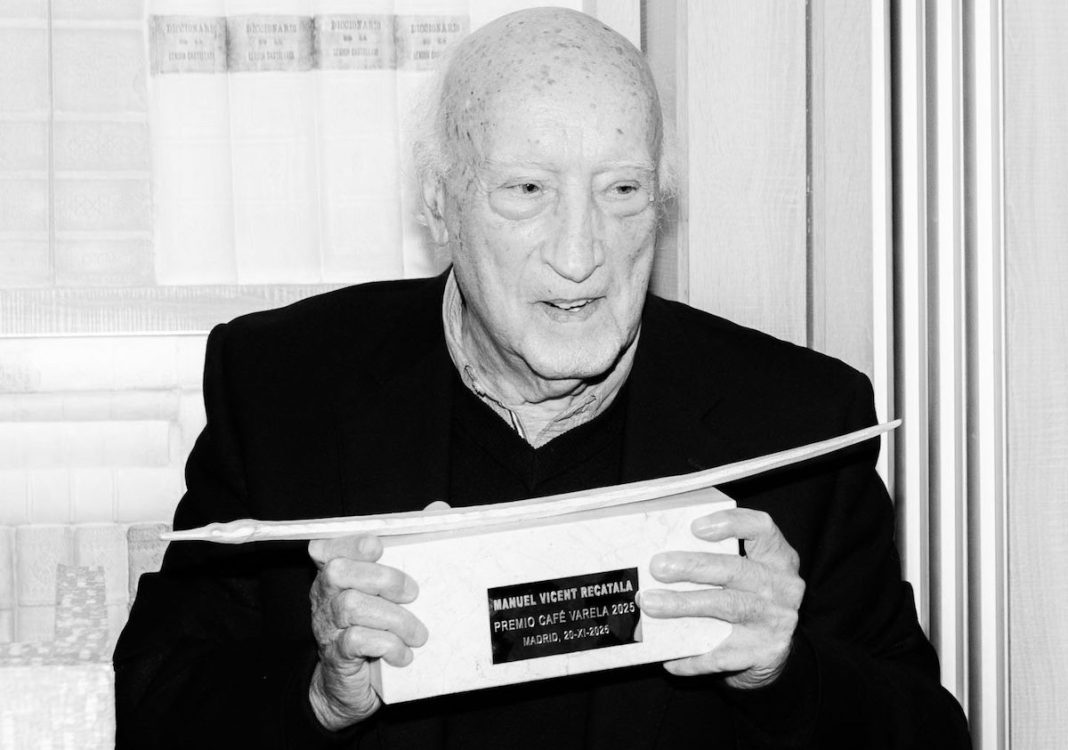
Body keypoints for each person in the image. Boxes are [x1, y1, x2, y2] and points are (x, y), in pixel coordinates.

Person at [114, 7, 971, 749]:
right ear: (440, 203)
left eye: (622, 190)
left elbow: (928, 735)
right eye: (527, 189)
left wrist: (785, 673)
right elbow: (157, 710)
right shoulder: (286, 386)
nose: (579, 253)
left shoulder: (799, 425)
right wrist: (319, 695)